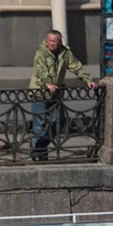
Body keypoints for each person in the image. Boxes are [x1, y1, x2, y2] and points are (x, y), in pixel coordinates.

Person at [29, 30, 96, 160]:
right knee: (40, 122)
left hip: (55, 94)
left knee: (60, 120)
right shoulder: (41, 52)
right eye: (50, 40)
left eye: (54, 41)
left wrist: (88, 80)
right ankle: (40, 152)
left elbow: (76, 67)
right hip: (40, 92)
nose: (51, 43)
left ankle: (38, 147)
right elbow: (42, 70)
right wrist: (48, 84)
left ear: (60, 42)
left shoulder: (65, 53)